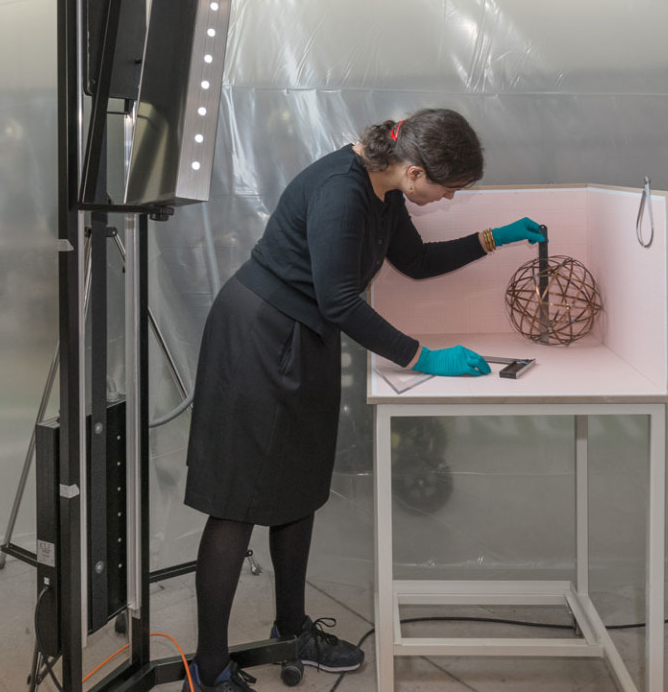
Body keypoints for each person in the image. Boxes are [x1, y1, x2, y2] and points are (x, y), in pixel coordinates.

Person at [182, 108, 546, 691]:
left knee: (297, 489)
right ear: (415, 171)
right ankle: (209, 669)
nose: (450, 199)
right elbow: (341, 303)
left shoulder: (384, 191)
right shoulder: (340, 193)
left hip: (303, 339)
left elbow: (415, 262)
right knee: (237, 501)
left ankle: (292, 628)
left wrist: (493, 238)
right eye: (448, 189)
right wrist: (426, 357)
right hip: (258, 338)